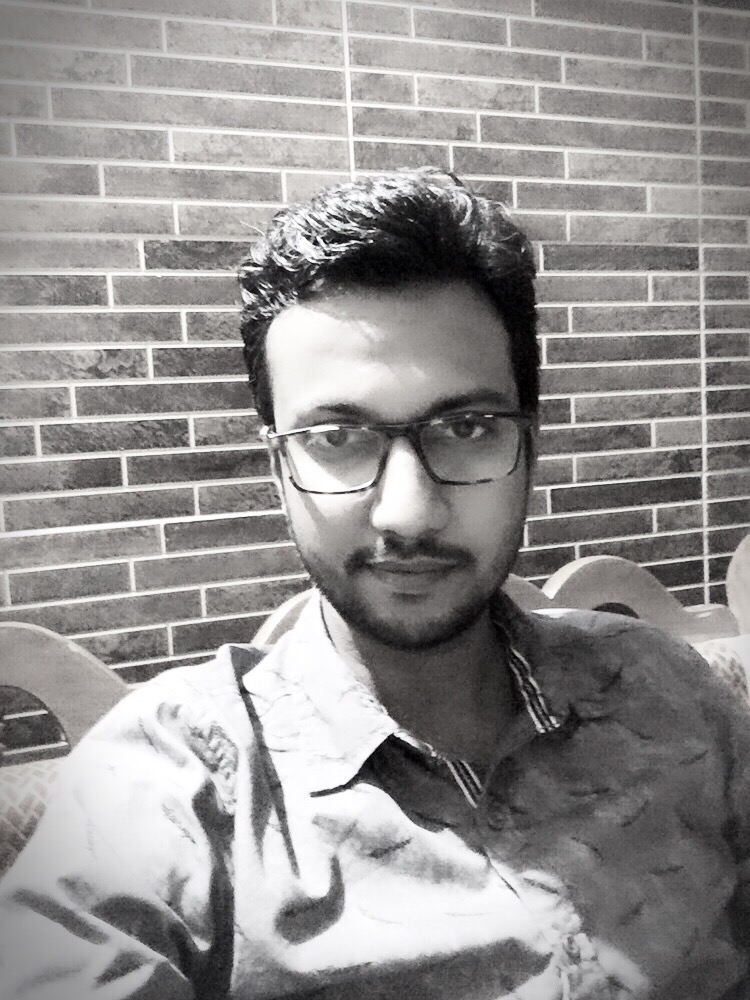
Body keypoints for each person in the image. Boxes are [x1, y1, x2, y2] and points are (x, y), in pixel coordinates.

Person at [0, 168, 748, 999]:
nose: (408, 511)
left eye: (468, 427)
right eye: (336, 438)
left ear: (529, 445)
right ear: (278, 468)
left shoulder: (673, 696)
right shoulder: (170, 794)